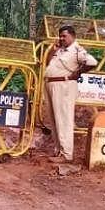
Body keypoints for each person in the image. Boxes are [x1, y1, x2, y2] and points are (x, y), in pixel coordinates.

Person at [42, 25, 97, 164]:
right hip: (51, 84)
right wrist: (53, 50)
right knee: (54, 119)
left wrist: (78, 73)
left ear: (72, 36)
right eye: (60, 36)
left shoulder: (77, 49)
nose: (61, 38)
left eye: (64, 36)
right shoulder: (60, 50)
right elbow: (48, 62)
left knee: (63, 119)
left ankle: (66, 154)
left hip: (64, 86)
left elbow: (92, 62)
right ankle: (59, 150)